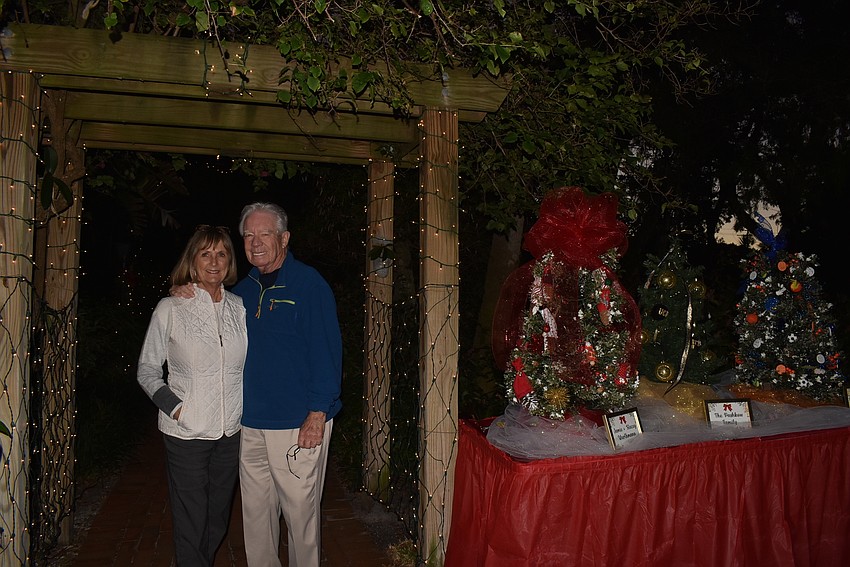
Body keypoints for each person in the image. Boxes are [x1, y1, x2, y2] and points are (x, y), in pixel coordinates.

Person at [173, 202, 343, 567]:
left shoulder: (309, 285)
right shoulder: (240, 294)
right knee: (255, 517)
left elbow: (327, 351)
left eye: (265, 233)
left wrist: (318, 412)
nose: (256, 242)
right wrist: (184, 291)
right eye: (248, 235)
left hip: (299, 424)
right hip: (248, 425)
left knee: (301, 518)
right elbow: (205, 314)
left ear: (284, 237)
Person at [137, 225, 248, 566]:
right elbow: (147, 370)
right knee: (191, 518)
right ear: (193, 260)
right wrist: (178, 410)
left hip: (231, 432)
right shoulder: (170, 307)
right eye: (205, 254)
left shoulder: (240, 306)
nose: (214, 262)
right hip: (185, 434)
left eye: (221, 254)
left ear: (230, 262)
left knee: (216, 518)